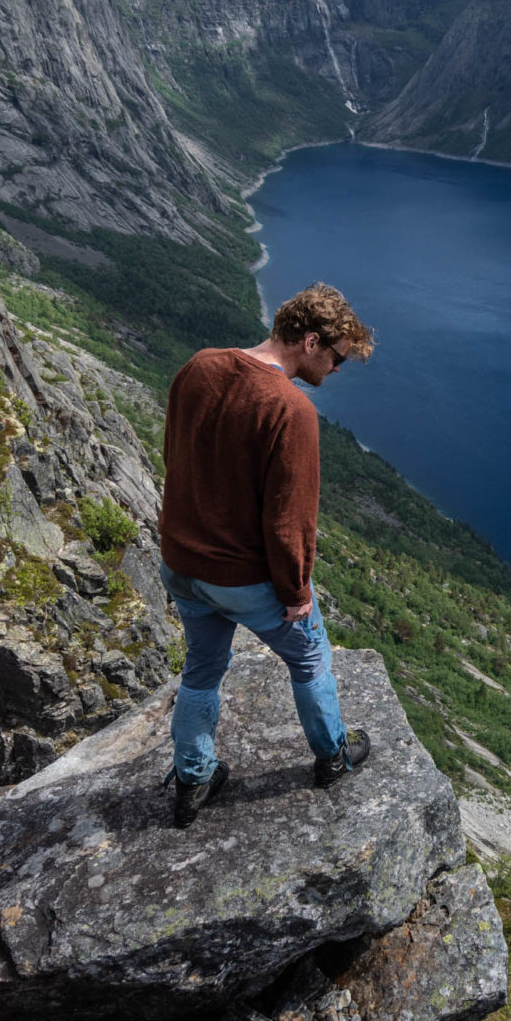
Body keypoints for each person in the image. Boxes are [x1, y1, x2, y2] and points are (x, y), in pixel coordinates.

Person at [158, 281, 375, 827]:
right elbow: (289, 520)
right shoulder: (289, 408)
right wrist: (296, 591)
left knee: (203, 668)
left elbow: (174, 456)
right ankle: (333, 757)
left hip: (182, 565)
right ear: (310, 342)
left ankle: (193, 778)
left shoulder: (200, 366)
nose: (337, 370)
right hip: (242, 577)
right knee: (308, 657)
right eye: (338, 358)